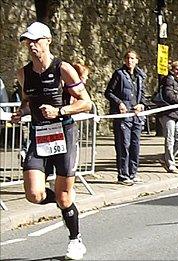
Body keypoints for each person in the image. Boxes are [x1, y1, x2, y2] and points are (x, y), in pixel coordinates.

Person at [10, 22, 92, 260]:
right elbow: (27, 101)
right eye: (28, 41)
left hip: (63, 133)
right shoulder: (23, 73)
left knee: (65, 196)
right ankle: (65, 201)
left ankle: (75, 239)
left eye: (36, 40)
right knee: (33, 195)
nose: (32, 45)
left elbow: (86, 102)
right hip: (39, 135)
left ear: (48, 41)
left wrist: (61, 111)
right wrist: (21, 112)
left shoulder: (63, 69)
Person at [105, 50, 147, 185]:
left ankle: (133, 172)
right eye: (128, 58)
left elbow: (143, 95)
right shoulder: (119, 74)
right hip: (123, 116)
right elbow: (108, 92)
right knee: (124, 144)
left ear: (137, 60)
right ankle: (123, 174)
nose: (130, 61)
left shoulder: (140, 76)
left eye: (133, 58)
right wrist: (119, 103)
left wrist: (141, 104)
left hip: (136, 116)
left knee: (135, 145)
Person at [157, 61, 178, 173]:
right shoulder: (169, 80)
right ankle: (170, 163)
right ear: (172, 69)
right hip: (167, 113)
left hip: (176, 114)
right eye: (176, 69)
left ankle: (165, 158)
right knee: (170, 139)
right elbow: (169, 96)